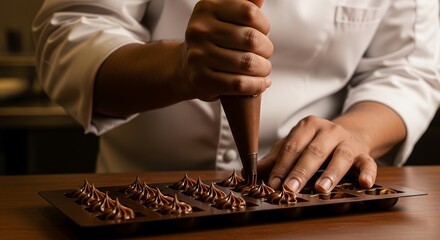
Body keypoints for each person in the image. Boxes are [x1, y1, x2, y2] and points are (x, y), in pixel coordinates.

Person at [32, 0, 440, 193]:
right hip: (142, 192)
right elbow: (72, 31)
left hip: (309, 198)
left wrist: (354, 134)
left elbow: (408, 69)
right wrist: (179, 68)